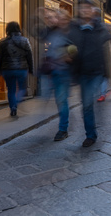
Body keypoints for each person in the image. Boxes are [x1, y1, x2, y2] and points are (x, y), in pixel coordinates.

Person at [68, 0, 111, 147]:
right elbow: (69, 46)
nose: (85, 10)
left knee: (87, 102)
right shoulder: (73, 28)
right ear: (79, 11)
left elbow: (109, 50)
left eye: (88, 8)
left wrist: (109, 72)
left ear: (93, 11)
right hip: (81, 71)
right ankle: (91, 133)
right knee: (86, 104)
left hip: (97, 71)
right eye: (82, 8)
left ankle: (91, 135)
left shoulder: (100, 28)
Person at [39, 9, 75, 141]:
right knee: (47, 97)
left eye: (61, 18)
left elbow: (75, 51)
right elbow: (38, 35)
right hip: (50, 71)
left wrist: (67, 56)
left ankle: (63, 129)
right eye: (56, 17)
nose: (58, 20)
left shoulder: (71, 33)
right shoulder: (52, 32)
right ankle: (62, 123)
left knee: (61, 100)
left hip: (63, 72)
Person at [0, 22, 33, 117]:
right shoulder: (25, 40)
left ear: (7, 30)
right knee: (22, 89)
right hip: (21, 69)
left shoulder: (3, 41)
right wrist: (31, 68)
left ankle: (13, 106)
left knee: (11, 90)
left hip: (7, 69)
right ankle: (16, 102)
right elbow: (29, 56)